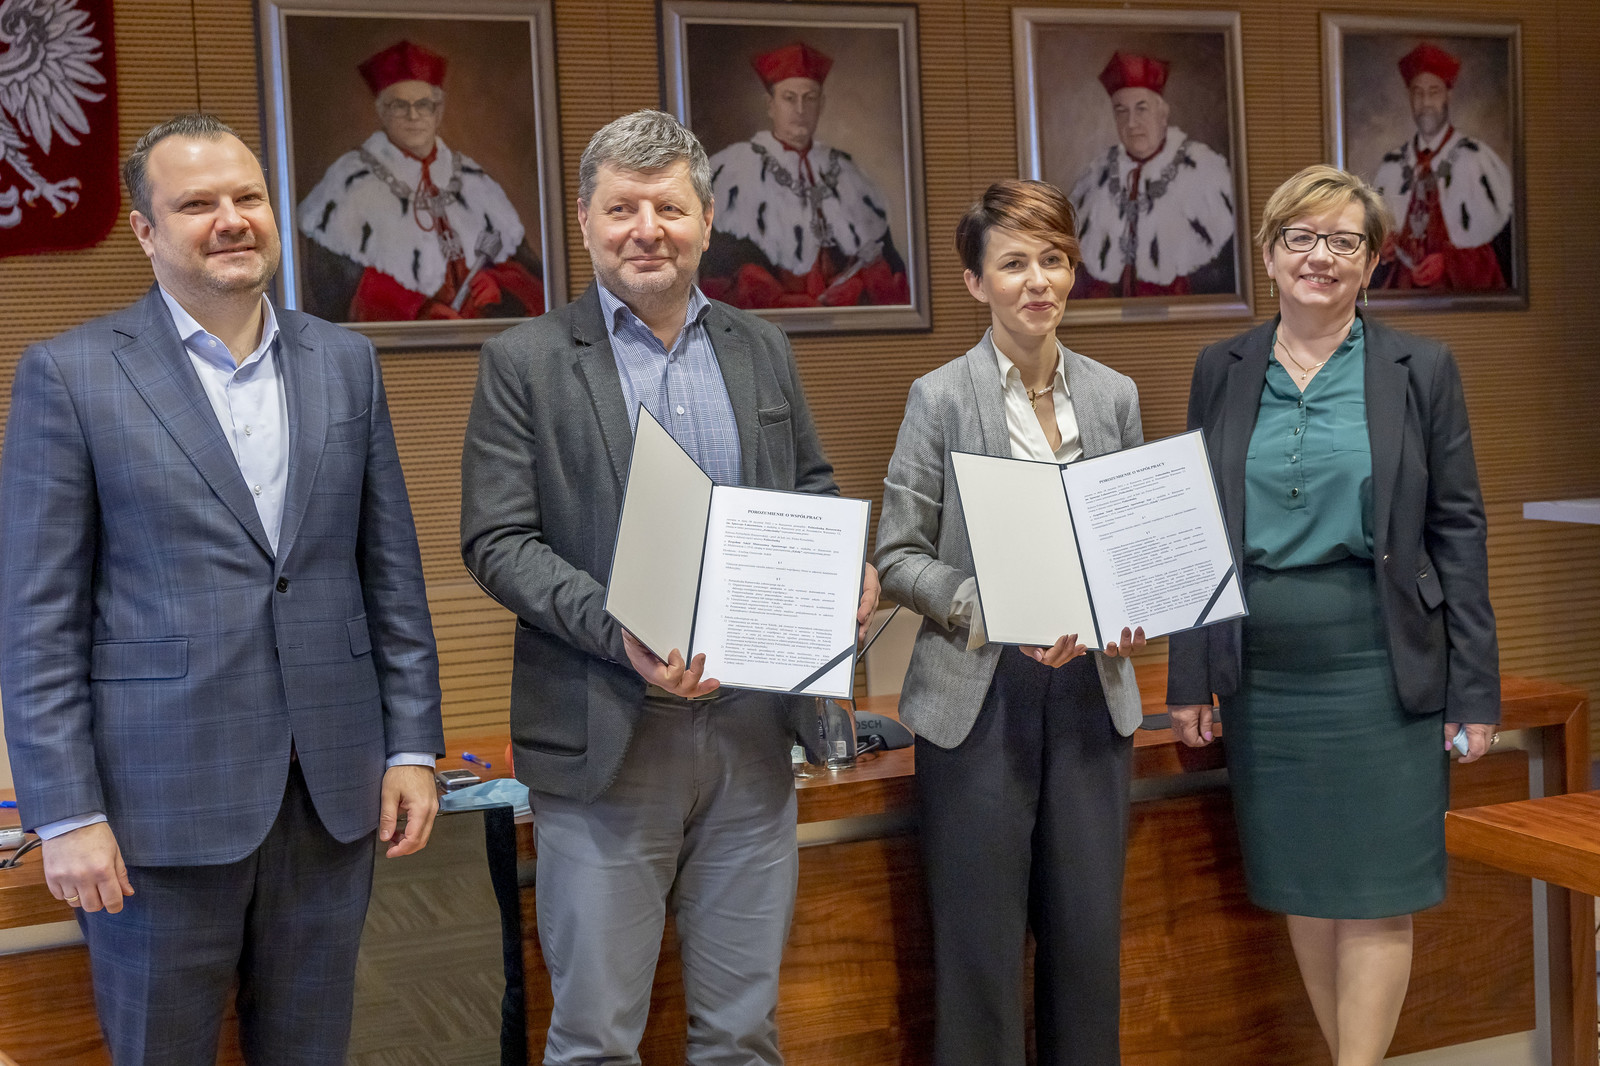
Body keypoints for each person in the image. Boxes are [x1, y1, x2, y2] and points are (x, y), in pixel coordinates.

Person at [0, 112, 445, 1064]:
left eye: (248, 197)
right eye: (197, 204)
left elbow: (390, 575)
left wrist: (412, 744)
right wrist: (66, 813)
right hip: (155, 812)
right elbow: (37, 621)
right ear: (145, 230)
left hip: (330, 797)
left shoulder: (346, 362)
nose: (232, 219)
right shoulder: (71, 375)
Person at [460, 109, 879, 1065]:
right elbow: (498, 541)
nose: (646, 229)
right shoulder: (524, 362)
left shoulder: (761, 347)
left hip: (752, 735)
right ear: (584, 220)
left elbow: (810, 486)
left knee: (742, 1034)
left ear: (707, 218)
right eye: (622, 208)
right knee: (596, 1040)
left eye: (669, 208)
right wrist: (620, 630)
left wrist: (841, 562)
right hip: (607, 738)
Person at [1167, 164, 1499, 1066]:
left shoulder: (1419, 368)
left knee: (1377, 892)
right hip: (1264, 672)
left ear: (1372, 261)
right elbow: (1194, 530)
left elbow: (1458, 530)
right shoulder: (1222, 368)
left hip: (1382, 666)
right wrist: (1190, 675)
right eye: (1302, 238)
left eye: (1345, 241)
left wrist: (1475, 692)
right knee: (1306, 888)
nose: (1322, 256)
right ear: (1270, 253)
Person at [874, 179, 1146, 1066]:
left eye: (1054, 260)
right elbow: (898, 555)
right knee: (980, 959)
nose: (1038, 282)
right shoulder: (938, 398)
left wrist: (1134, 605)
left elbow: (1133, 540)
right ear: (975, 282)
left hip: (1091, 698)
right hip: (978, 700)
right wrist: (986, 609)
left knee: (1087, 954)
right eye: (1015, 263)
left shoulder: (1113, 396)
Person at [296, 39, 545, 322]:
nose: (413, 116)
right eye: (399, 105)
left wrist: (496, 285)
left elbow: (531, 278)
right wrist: (417, 309)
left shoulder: (474, 181)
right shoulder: (349, 183)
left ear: (438, 111)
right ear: (382, 112)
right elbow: (332, 290)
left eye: (423, 105)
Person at [700, 41, 910, 310]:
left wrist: (857, 286)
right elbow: (720, 274)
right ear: (770, 105)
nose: (800, 110)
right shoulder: (733, 170)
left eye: (809, 98)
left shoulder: (848, 172)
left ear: (821, 105)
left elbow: (889, 269)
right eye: (789, 98)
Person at [1068, 50, 1237, 300]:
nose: (1131, 123)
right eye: (1121, 111)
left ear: (1162, 114)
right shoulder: (1096, 177)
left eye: (1141, 109)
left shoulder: (1203, 170)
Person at [1370, 42, 1513, 292]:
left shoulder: (1477, 159)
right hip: (1401, 300)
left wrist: (1449, 262)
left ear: (1449, 95)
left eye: (1434, 91)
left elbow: (1505, 249)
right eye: (1417, 92)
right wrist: (1382, 250)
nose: (1425, 102)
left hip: (1461, 302)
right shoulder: (1391, 167)